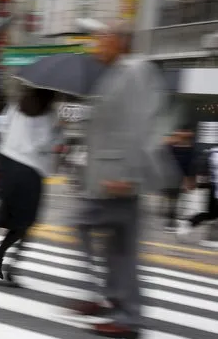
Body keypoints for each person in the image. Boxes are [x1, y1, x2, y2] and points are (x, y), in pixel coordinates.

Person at [74, 20, 166, 339]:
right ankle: (116, 305)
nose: (97, 43)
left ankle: (118, 309)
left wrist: (128, 175)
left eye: (102, 37)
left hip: (120, 181)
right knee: (119, 250)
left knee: (92, 231)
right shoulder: (115, 75)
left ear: (118, 41)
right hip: (110, 179)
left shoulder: (134, 71)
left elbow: (139, 126)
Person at [0, 87, 59, 287]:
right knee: (27, 223)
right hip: (31, 170)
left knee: (15, 219)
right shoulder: (49, 113)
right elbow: (44, 144)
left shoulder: (15, 106)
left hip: (8, 164)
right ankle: (11, 266)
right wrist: (59, 130)